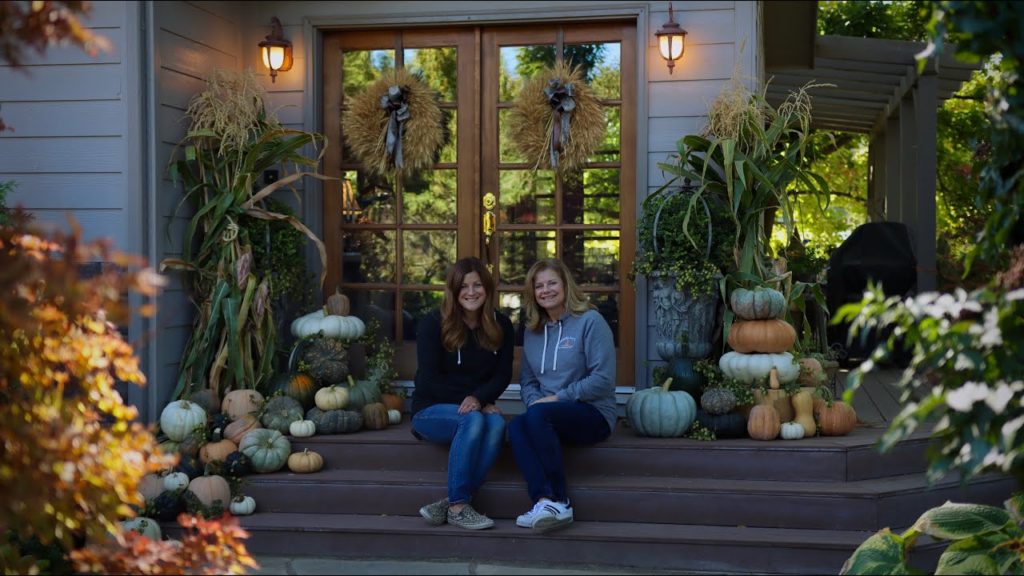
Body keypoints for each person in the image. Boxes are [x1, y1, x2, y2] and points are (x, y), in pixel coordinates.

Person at [508, 258, 617, 533]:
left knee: (538, 415)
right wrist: (535, 403)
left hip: (592, 413)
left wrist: (558, 399)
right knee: (517, 425)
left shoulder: (590, 321)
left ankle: (560, 500)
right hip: (547, 415)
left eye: (552, 283)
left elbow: (603, 380)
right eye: (539, 286)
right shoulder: (532, 331)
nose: (546, 290)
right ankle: (543, 502)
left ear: (566, 285)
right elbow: (528, 381)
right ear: (533, 293)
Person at [410, 256, 514, 530]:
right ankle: (458, 507)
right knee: (474, 419)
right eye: (464, 286)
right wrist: (475, 401)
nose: (471, 292)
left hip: (473, 409)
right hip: (430, 410)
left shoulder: (501, 324)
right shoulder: (433, 323)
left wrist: (479, 399)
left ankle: (453, 502)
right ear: (454, 290)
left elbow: (503, 375)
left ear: (487, 288)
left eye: (477, 285)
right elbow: (428, 380)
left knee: (496, 424)